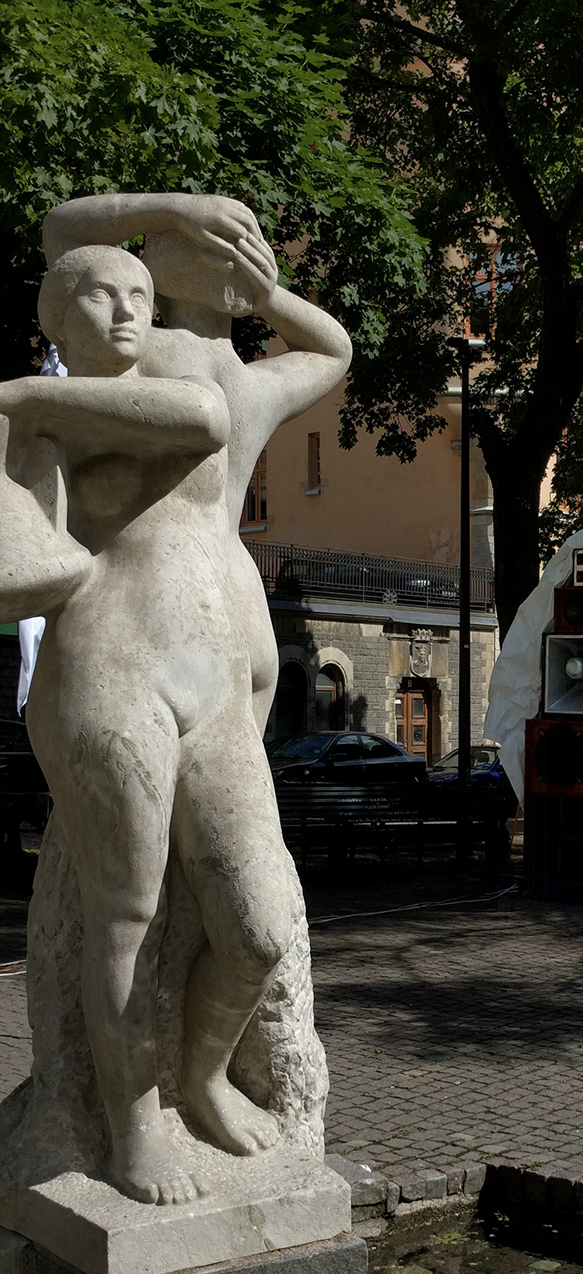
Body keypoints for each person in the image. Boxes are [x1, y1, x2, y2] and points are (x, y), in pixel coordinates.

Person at [17, 201, 351, 1206]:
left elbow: (327, 349)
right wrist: (167, 214)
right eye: (109, 292)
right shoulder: (75, 391)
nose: (126, 307)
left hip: (215, 674)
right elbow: (62, 231)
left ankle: (202, 1075)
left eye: (136, 291)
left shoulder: (227, 387)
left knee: (253, 926)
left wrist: (265, 289)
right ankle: (130, 1131)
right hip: (110, 663)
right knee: (129, 910)